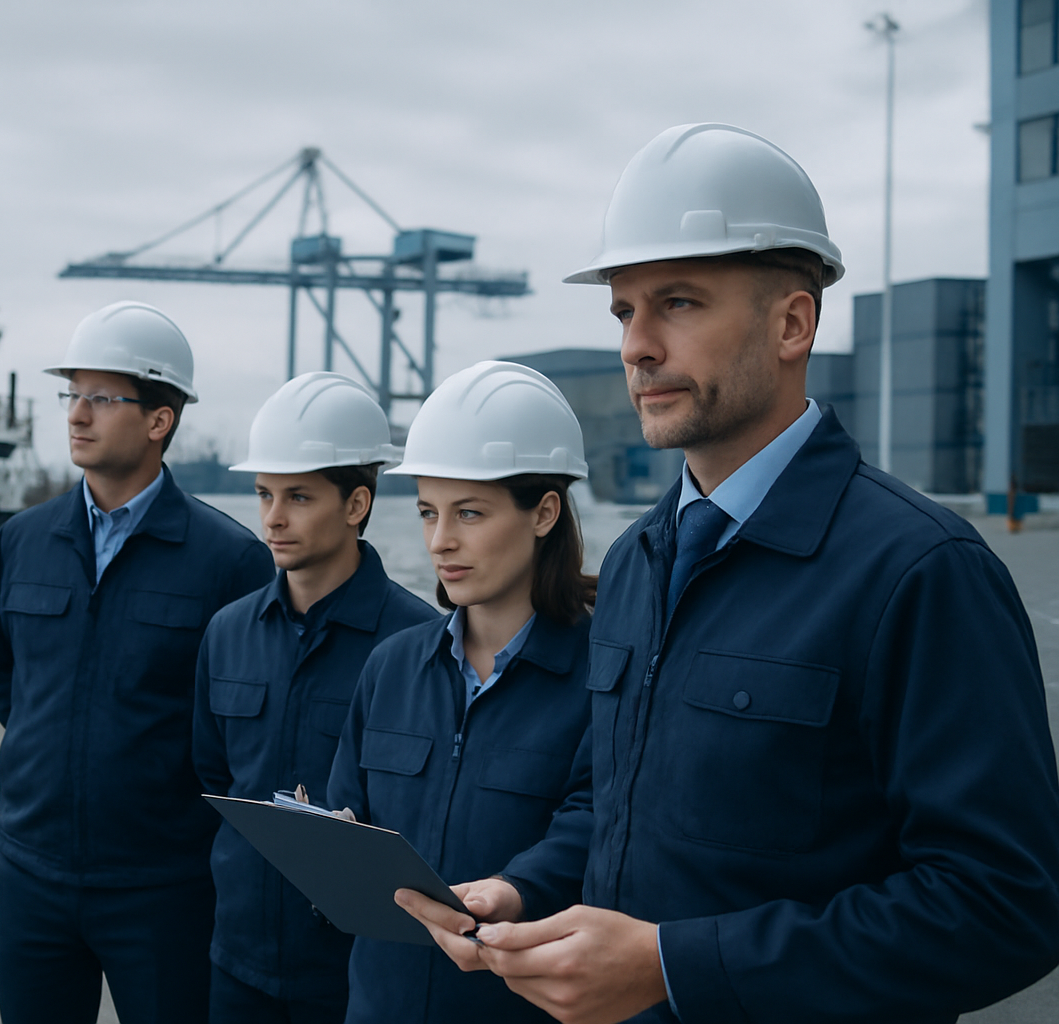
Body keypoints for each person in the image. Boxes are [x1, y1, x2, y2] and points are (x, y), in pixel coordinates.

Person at [398, 123, 1059, 1024]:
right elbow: (622, 813)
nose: (637, 345)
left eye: (678, 303)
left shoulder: (918, 571)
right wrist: (523, 890)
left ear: (793, 322)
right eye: (625, 311)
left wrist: (677, 964)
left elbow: (1004, 906)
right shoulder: (635, 563)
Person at [0, 300, 275, 1024]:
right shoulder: (24, 540)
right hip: (30, 875)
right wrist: (59, 752)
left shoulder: (229, 561)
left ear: (159, 420)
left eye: (102, 398)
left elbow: (244, 725)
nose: (77, 414)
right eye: (73, 394)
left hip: (164, 887)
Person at [324, 360, 598, 1024]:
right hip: (379, 1005)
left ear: (545, 513)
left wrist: (516, 888)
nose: (441, 540)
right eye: (427, 513)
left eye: (469, 513)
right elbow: (347, 813)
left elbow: (599, 823)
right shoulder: (391, 666)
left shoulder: (601, 676)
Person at [193, 372, 438, 1024]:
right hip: (236, 962)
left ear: (356, 503)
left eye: (298, 496)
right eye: (265, 494)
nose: (272, 517)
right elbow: (215, 775)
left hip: (358, 975)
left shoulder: (421, 643)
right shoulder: (228, 632)